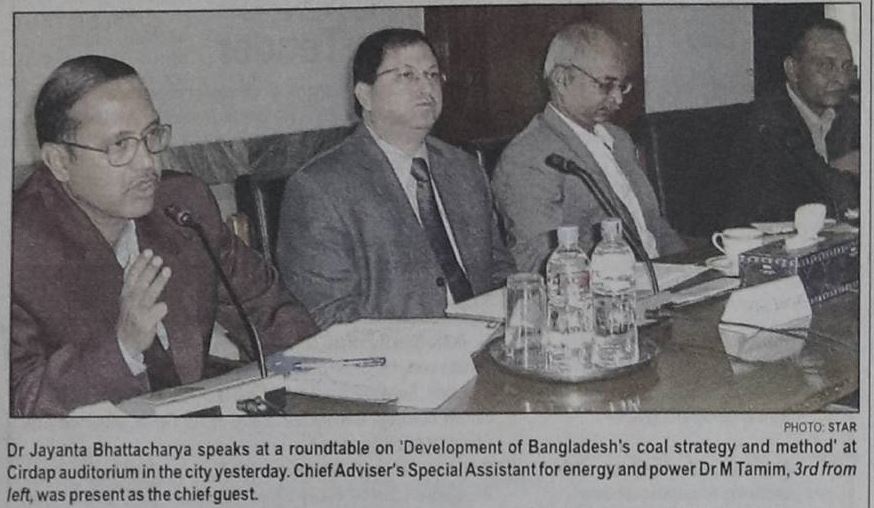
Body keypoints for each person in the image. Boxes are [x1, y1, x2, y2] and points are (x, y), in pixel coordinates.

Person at [12, 55, 318, 416]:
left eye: (151, 136)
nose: (148, 163)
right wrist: (122, 347)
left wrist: (328, 376)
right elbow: (21, 404)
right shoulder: (16, 249)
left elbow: (271, 313)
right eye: (120, 145)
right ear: (60, 162)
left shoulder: (181, 204)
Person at [278, 28, 514, 328]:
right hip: (394, 353)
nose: (426, 87)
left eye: (432, 74)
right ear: (365, 95)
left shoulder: (464, 169)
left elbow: (499, 269)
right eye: (407, 75)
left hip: (487, 340)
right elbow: (329, 314)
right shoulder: (320, 188)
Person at [492, 22, 683, 274]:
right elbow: (539, 261)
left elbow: (653, 226)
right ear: (561, 79)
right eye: (606, 85)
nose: (618, 99)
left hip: (663, 278)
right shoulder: (529, 156)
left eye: (622, 86)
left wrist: (691, 271)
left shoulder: (619, 139)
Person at [727, 18, 860, 225]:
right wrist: (841, 170)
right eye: (826, 66)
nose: (841, 79)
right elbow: (823, 198)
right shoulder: (767, 122)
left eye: (847, 67)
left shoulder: (851, 113)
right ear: (792, 69)